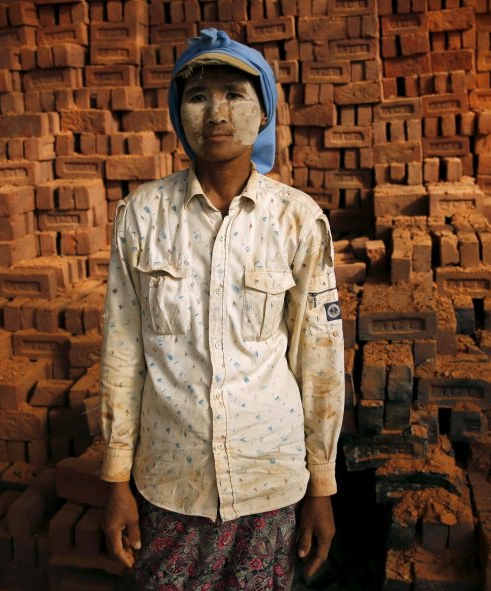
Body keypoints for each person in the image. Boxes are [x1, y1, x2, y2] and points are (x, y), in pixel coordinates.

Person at [99, 28, 346, 590]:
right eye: (197, 96)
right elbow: (122, 349)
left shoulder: (298, 220)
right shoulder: (140, 217)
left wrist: (323, 489)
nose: (216, 112)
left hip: (269, 481)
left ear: (263, 114)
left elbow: (321, 362)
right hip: (169, 484)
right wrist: (116, 481)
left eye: (235, 94)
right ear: (177, 113)